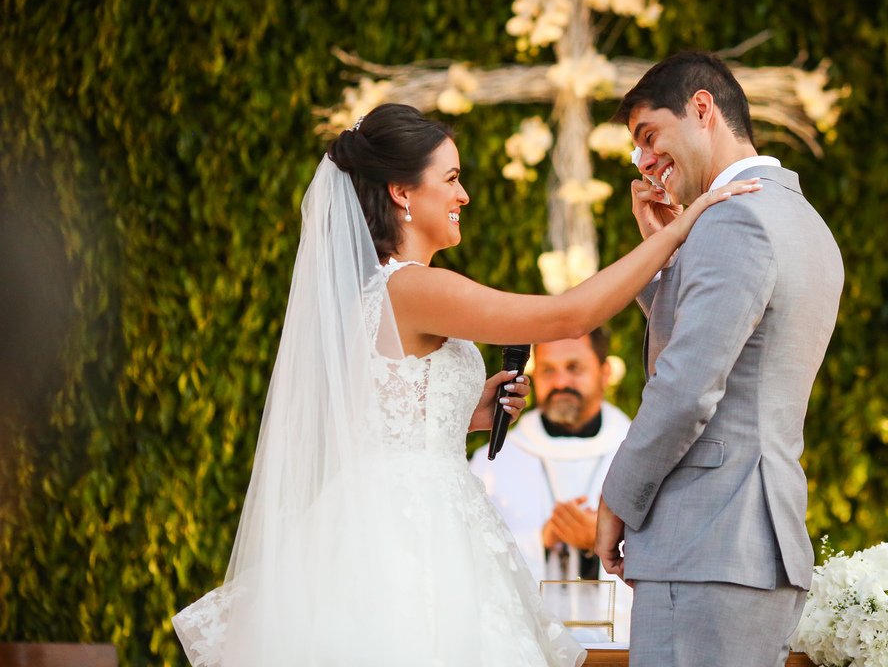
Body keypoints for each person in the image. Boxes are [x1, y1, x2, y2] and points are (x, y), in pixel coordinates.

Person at [171, 103, 760, 667]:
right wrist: (675, 232)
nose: (464, 196)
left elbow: (379, 412)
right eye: (451, 179)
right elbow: (568, 316)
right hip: (412, 534)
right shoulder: (414, 288)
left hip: (386, 511)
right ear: (402, 192)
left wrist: (461, 413)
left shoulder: (377, 294)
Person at [594, 52, 845, 667]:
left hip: (707, 542)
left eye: (649, 135)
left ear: (702, 109)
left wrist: (618, 498)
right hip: (758, 545)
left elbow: (686, 388)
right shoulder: (803, 219)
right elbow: (730, 350)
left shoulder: (736, 219)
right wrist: (663, 251)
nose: (643, 161)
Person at [470, 331, 634, 642]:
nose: (560, 382)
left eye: (574, 367)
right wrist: (541, 541)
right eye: (547, 370)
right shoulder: (495, 461)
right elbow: (469, 557)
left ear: (604, 373)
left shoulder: (638, 455)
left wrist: (605, 542)